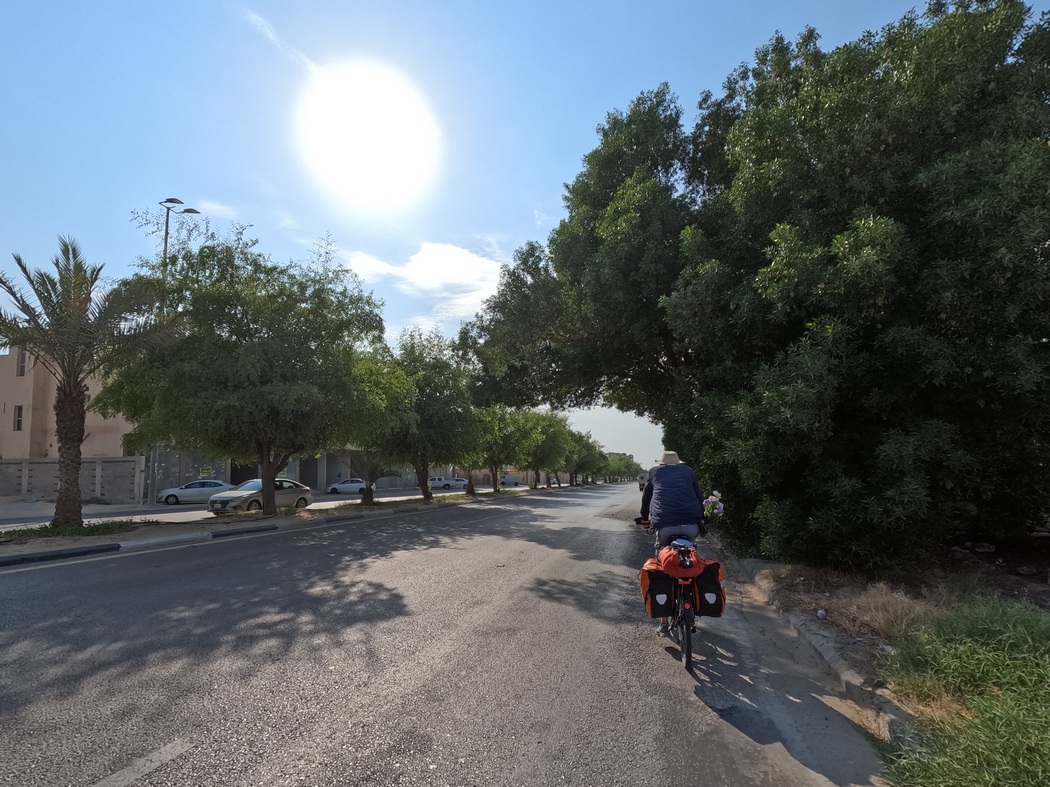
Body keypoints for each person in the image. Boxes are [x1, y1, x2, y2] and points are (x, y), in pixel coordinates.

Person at [639, 450, 705, 635]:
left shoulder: (654, 472)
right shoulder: (688, 472)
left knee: (662, 563)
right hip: (692, 525)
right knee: (691, 554)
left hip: (665, 527)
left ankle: (663, 622)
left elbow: (646, 498)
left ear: (661, 463)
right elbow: (699, 497)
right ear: (678, 463)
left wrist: (645, 518)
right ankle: (694, 601)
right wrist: (702, 517)